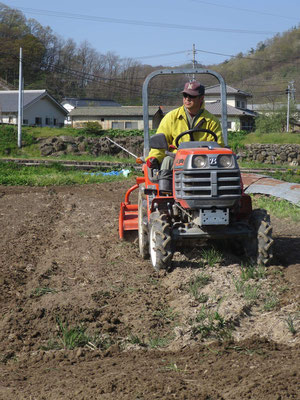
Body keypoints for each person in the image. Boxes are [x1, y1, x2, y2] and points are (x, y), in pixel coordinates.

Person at [146, 80, 225, 172]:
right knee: (167, 161)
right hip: (177, 158)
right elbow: (160, 144)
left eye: (192, 96)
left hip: (203, 160)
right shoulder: (171, 117)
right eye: (185, 95)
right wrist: (154, 157)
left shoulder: (211, 121)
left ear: (201, 98)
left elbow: (218, 145)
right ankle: (165, 186)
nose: (187, 99)